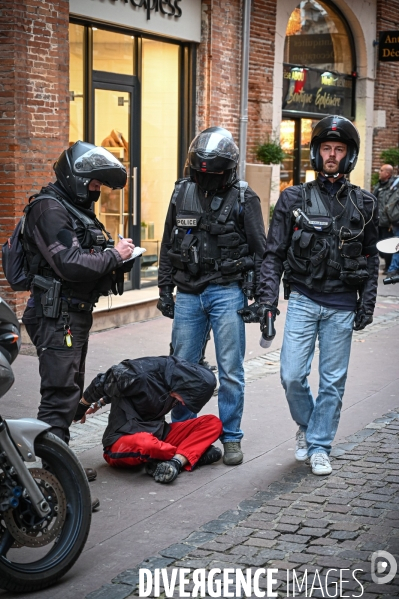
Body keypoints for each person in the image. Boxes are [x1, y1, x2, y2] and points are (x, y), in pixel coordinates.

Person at [258, 115, 379, 476]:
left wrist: (367, 303)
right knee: (291, 375)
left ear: (349, 156)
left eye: (339, 149)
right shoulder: (293, 198)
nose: (332, 155)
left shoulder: (365, 204)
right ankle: (310, 429)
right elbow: (273, 253)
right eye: (326, 148)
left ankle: (320, 445)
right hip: (304, 300)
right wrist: (267, 301)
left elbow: (372, 258)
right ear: (315, 153)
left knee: (332, 382)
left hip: (342, 305)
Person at [21, 141, 135, 490]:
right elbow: (69, 263)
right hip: (57, 315)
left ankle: (61, 464)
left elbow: (84, 255)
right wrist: (114, 256)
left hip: (73, 314)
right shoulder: (49, 209)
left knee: (68, 393)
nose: (97, 191)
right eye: (94, 183)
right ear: (75, 177)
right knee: (58, 396)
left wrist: (116, 257)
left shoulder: (70, 207)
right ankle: (53, 482)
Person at [157, 127, 267, 466]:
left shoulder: (246, 198)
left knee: (230, 369)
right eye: (201, 173)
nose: (207, 179)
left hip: (227, 292)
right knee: (181, 369)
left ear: (228, 170)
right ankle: (183, 435)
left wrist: (263, 300)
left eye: (214, 174)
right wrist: (164, 287)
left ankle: (231, 437)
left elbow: (261, 252)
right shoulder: (181, 192)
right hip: (188, 293)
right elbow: (166, 243)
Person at [74, 356, 222, 483]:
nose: (183, 404)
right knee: (147, 444)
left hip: (159, 434)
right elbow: (104, 381)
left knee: (213, 423)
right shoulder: (141, 373)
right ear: (185, 387)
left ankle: (176, 461)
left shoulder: (178, 379)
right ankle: (189, 454)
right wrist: (82, 406)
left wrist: (101, 402)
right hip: (123, 440)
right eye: (186, 399)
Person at [373, 164, 395, 273]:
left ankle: (388, 267)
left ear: (387, 173)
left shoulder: (393, 187)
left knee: (387, 246)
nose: (379, 172)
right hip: (378, 221)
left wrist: (392, 220)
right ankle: (387, 265)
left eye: (381, 170)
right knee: (379, 246)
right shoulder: (379, 185)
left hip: (388, 223)